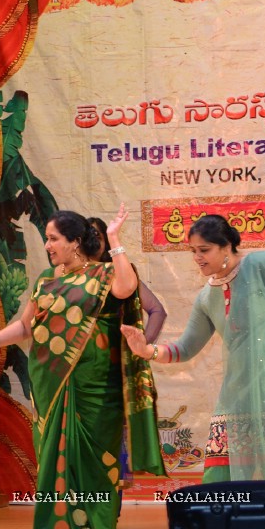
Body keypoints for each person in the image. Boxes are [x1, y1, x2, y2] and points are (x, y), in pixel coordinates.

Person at [0, 205, 164, 529]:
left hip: (97, 389)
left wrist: (114, 239)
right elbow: (24, 327)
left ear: (75, 242)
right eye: (48, 239)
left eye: (53, 239)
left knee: (98, 465)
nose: (48, 246)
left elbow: (128, 289)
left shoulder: (104, 274)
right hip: (52, 388)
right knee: (55, 463)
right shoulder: (46, 282)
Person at [120, 215, 265, 490]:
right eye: (193, 251)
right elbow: (185, 348)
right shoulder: (208, 295)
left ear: (226, 246)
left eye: (204, 250)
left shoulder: (258, 264)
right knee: (218, 478)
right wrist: (147, 350)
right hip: (239, 392)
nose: (197, 258)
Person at [88, 215, 167, 501]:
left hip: (116, 367)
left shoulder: (122, 273)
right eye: (89, 235)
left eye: (99, 234)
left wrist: (141, 345)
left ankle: (112, 503)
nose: (95, 240)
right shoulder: (70, 277)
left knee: (114, 434)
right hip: (83, 367)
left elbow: (156, 310)